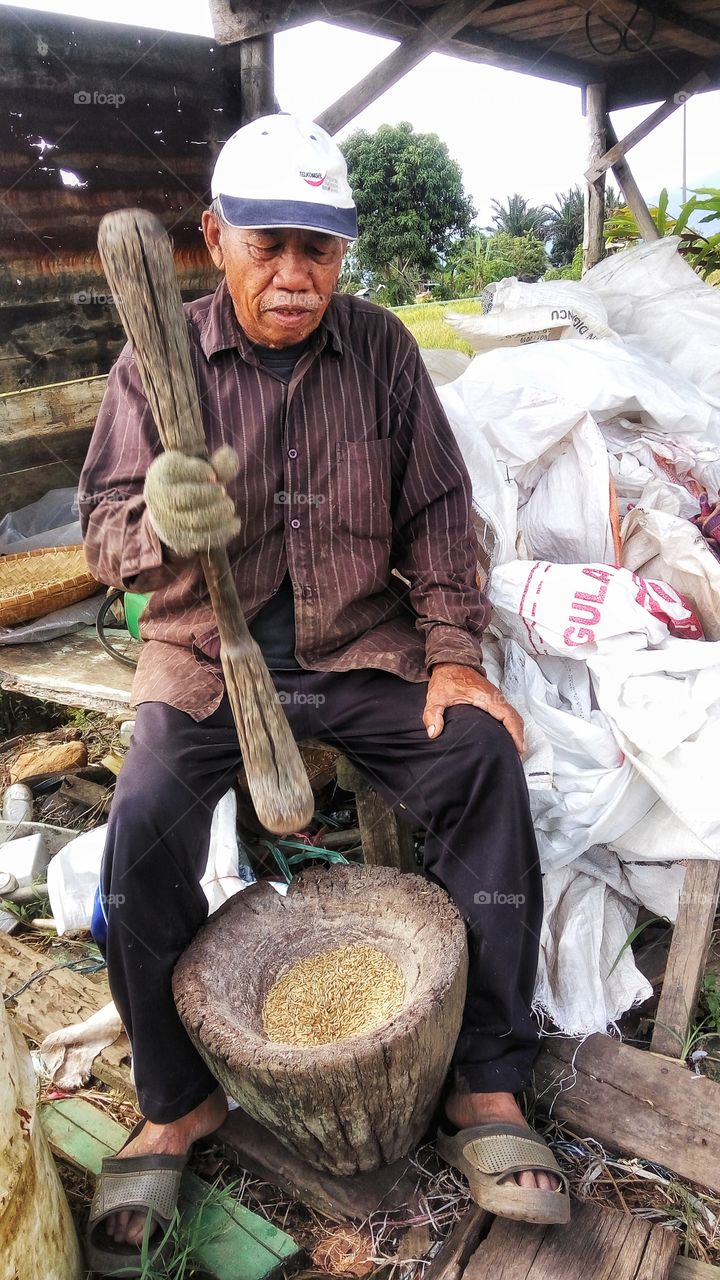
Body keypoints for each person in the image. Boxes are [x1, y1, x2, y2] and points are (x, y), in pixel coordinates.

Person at [80, 113, 568, 1274]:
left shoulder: (382, 350)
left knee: (482, 760)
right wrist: (158, 522)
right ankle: (177, 1098)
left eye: (322, 249)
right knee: (142, 824)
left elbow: (440, 511)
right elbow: (101, 528)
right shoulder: (157, 359)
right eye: (270, 246)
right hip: (207, 656)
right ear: (216, 238)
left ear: (345, 252)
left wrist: (452, 652)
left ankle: (486, 1078)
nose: (296, 275)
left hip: (358, 650)